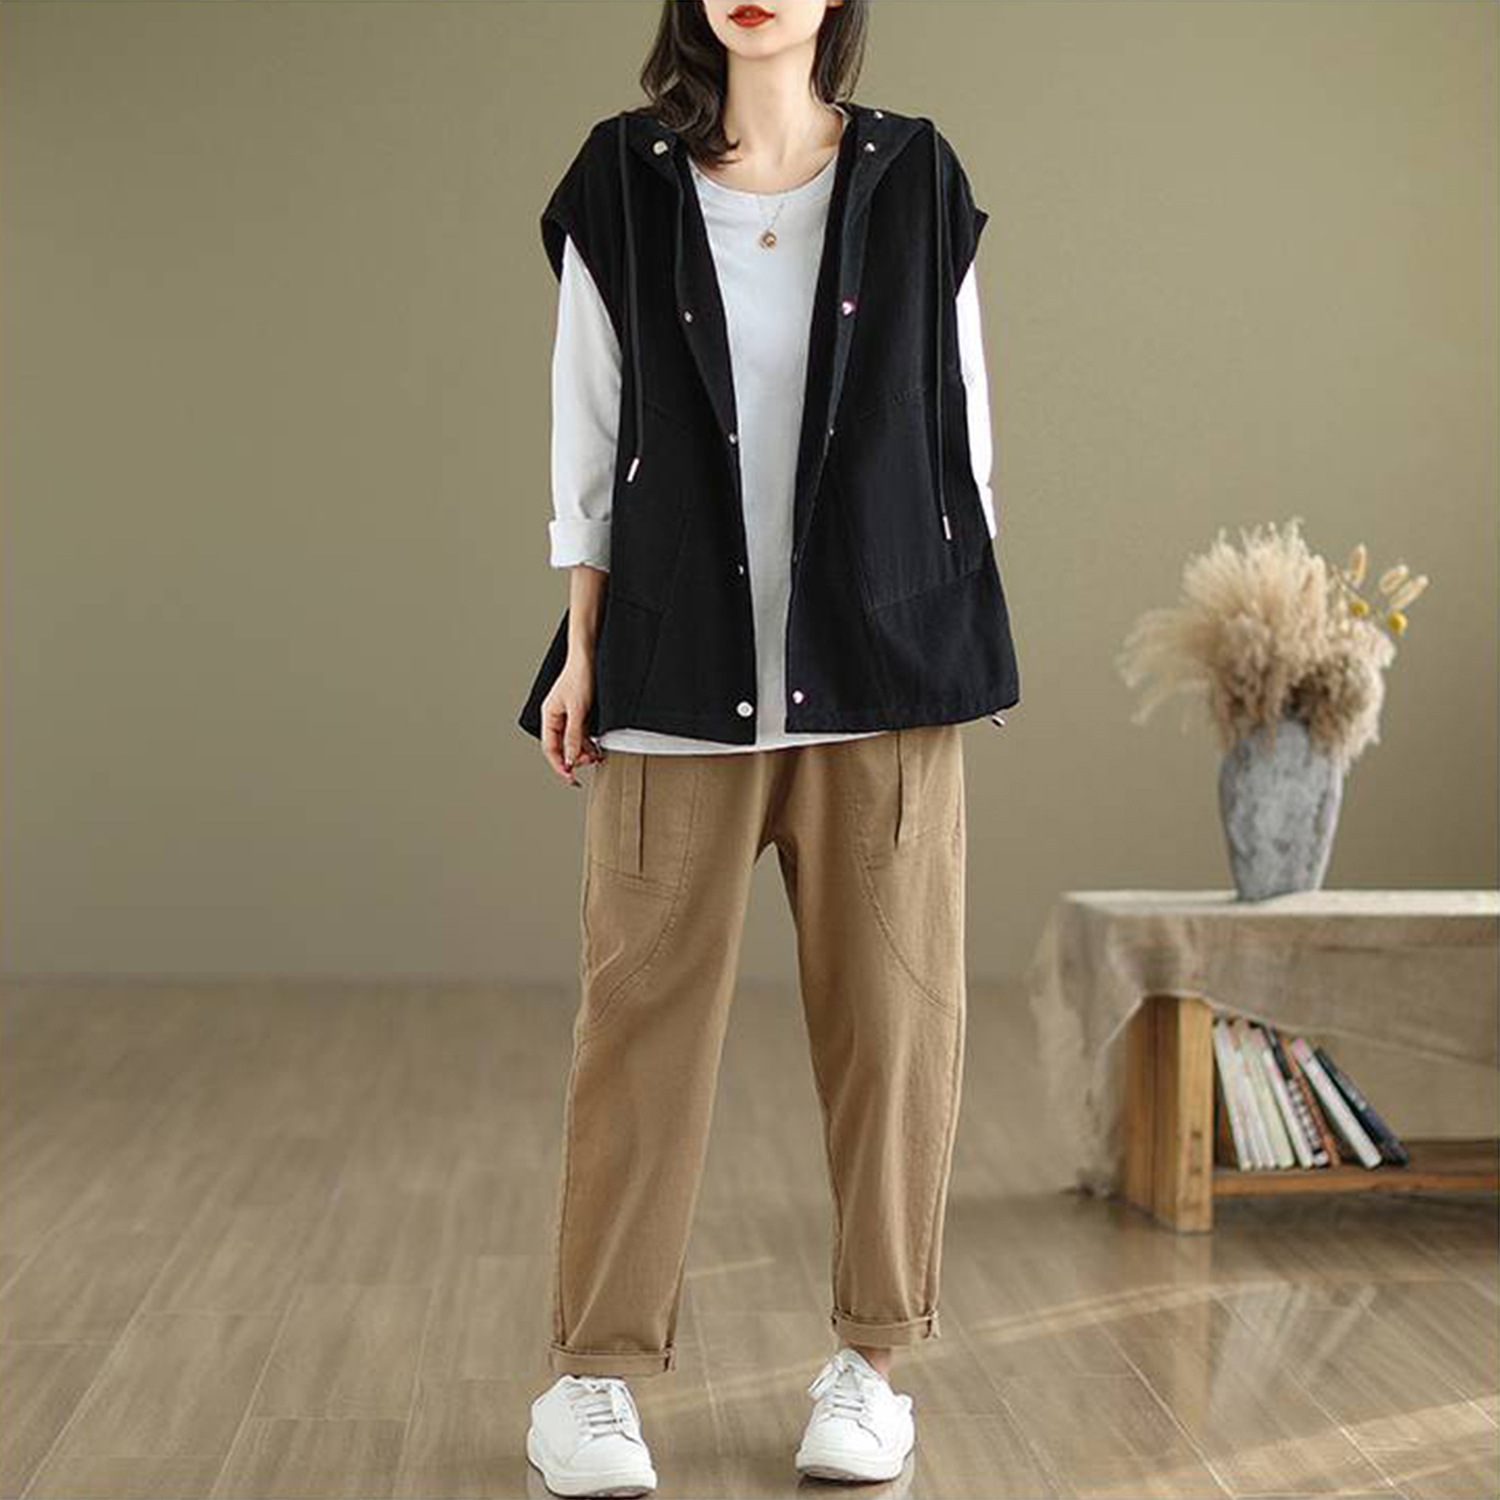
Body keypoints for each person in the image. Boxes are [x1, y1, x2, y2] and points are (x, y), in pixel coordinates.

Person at [516, 2, 1020, 1493]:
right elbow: (588, 432)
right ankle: (591, 1382)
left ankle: (872, 1367)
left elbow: (964, 436)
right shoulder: (619, 178)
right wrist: (583, 649)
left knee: (897, 1030)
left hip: (881, 681)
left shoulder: (917, 177)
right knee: (638, 1035)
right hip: (675, 670)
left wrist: (951, 640)